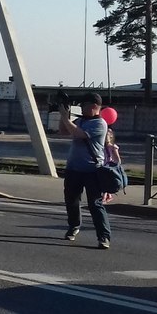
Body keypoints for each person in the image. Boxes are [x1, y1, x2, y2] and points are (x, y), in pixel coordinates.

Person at [60, 92, 113, 249]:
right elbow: (64, 131)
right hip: (73, 169)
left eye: (84, 105)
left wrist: (65, 119)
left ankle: (104, 236)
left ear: (94, 106)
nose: (81, 108)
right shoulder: (81, 120)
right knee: (71, 200)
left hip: (92, 170)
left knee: (95, 204)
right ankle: (73, 226)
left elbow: (79, 134)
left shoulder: (100, 123)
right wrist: (64, 114)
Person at [102, 128, 124, 204]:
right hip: (102, 165)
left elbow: (118, 159)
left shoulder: (112, 147)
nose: (105, 138)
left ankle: (104, 197)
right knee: (104, 181)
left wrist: (115, 165)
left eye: (107, 136)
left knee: (105, 181)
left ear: (111, 137)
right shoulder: (101, 146)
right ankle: (108, 195)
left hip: (108, 167)